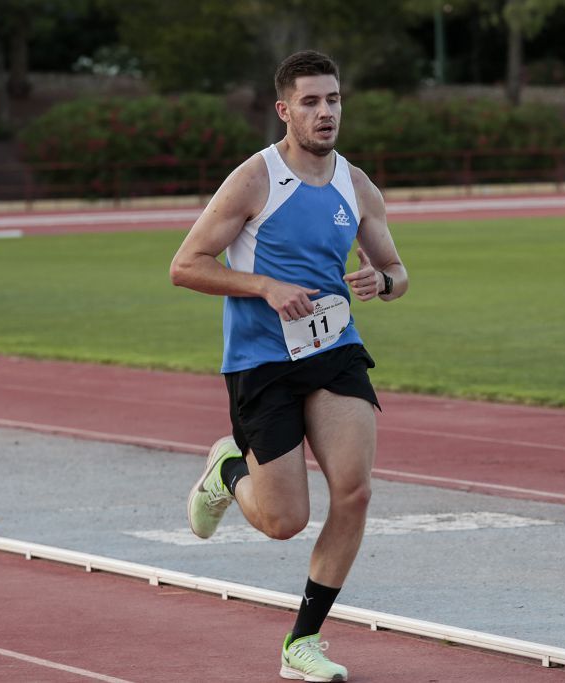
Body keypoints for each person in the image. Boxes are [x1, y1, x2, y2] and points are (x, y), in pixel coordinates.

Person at [170, 49, 407, 682]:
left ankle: (302, 642)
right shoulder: (256, 178)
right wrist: (266, 287)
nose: (325, 112)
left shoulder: (357, 185)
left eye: (333, 100)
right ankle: (227, 470)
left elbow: (398, 271)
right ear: (284, 111)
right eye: (311, 101)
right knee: (284, 521)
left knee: (354, 491)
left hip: (334, 352)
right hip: (262, 362)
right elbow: (185, 265)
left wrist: (379, 284)